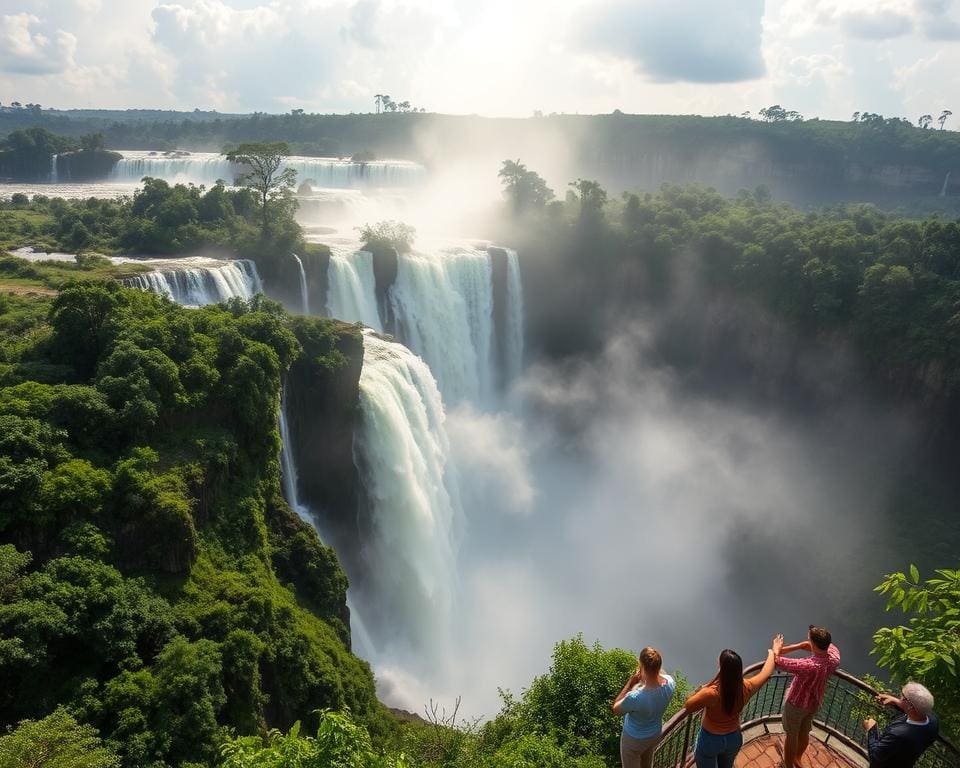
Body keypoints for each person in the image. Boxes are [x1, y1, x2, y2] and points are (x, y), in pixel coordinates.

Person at [683, 641, 777, 768]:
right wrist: (773, 652)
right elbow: (766, 674)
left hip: (711, 739)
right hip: (734, 738)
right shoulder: (746, 687)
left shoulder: (711, 693)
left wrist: (704, 687)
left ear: (721, 667)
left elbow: (688, 705)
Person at [773, 626, 841, 768]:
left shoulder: (808, 665)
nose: (807, 641)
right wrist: (797, 646)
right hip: (813, 703)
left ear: (814, 645)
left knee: (791, 736)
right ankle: (797, 758)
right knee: (804, 732)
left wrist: (777, 647)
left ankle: (788, 765)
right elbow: (808, 645)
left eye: (809, 639)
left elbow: (777, 661)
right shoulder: (834, 658)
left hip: (796, 704)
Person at [612, 647, 677, 768]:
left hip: (633, 739)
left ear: (641, 666)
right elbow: (661, 674)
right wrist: (647, 673)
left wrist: (631, 682)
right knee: (647, 764)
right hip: (654, 734)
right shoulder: (670, 684)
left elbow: (616, 709)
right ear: (659, 666)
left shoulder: (636, 697)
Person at [863, 682, 940, 768]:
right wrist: (895, 701)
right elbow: (915, 709)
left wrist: (871, 729)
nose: (900, 697)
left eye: (902, 696)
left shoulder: (899, 734)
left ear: (910, 706)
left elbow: (875, 756)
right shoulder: (933, 722)